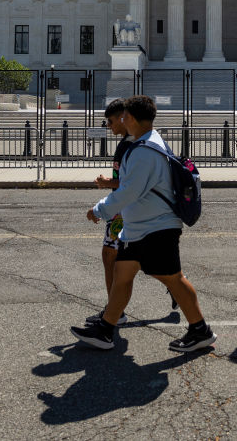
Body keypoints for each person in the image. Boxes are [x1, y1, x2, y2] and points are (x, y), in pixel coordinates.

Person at [70, 95, 216, 352]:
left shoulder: (145, 151)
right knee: (122, 274)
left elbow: (129, 191)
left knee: (173, 279)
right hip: (140, 228)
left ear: (133, 118)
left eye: (124, 116)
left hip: (157, 228)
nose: (121, 120)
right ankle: (106, 329)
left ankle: (200, 330)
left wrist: (99, 209)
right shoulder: (144, 144)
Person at [87, 99, 137, 324]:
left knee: (114, 257)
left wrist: (108, 184)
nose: (109, 126)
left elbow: (131, 183)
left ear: (123, 118)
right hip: (121, 207)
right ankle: (115, 310)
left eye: (111, 121)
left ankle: (114, 313)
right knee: (117, 257)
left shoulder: (133, 144)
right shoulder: (127, 142)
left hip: (126, 209)